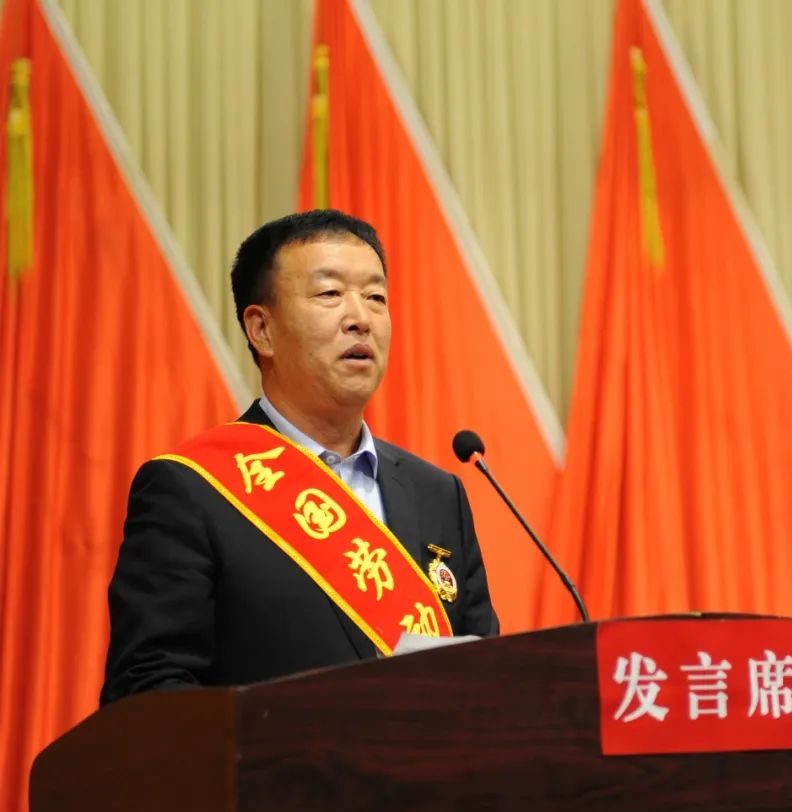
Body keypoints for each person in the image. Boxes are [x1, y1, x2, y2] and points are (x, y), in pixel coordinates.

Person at [101, 210, 499, 704]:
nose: (360, 318)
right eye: (329, 294)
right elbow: (149, 691)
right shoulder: (192, 489)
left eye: (376, 297)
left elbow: (486, 681)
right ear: (261, 330)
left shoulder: (438, 495)